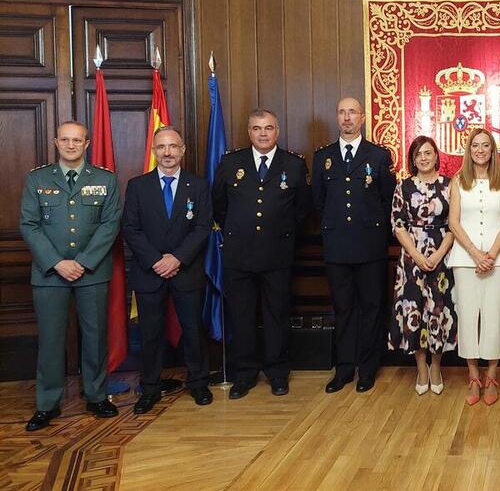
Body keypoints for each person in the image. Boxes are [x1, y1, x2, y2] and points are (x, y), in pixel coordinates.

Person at [20, 121, 122, 431]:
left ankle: (96, 395)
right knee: (51, 341)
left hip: (91, 272)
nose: (71, 145)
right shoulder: (37, 180)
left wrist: (84, 261)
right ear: (55, 142)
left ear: (87, 143)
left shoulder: (105, 180)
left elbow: (110, 224)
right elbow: (29, 225)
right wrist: (57, 262)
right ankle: (47, 404)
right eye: (65, 139)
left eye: (77, 140)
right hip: (50, 274)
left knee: (95, 337)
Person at [212, 109, 311, 399]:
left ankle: (277, 372)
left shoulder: (293, 164)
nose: (263, 134)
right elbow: (219, 204)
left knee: (276, 315)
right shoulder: (231, 163)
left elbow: (302, 208)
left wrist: (279, 232)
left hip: (277, 253)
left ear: (277, 131)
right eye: (257, 128)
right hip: (238, 253)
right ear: (249, 132)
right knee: (241, 316)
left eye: (268, 128)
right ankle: (244, 374)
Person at [122, 126, 212, 413]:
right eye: (161, 147)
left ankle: (198, 383)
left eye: (173, 146)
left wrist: (177, 258)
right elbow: (131, 229)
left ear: (183, 150)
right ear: (153, 151)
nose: (168, 152)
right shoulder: (138, 186)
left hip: (186, 271)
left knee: (193, 330)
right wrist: (156, 261)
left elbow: (202, 227)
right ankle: (149, 389)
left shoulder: (198, 185)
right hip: (150, 272)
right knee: (150, 333)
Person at [313, 97, 395, 394]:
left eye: (352, 112)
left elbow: (387, 201)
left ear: (362, 118)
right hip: (337, 246)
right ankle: (344, 368)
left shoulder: (378, 155)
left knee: (372, 308)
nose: (347, 118)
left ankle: (367, 368)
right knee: (343, 309)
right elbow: (319, 202)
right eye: (342, 112)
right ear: (337, 117)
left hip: (370, 246)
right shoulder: (324, 156)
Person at [447, 128, 500, 406]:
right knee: (468, 316)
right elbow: (454, 223)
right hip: (465, 260)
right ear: (469, 149)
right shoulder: (458, 181)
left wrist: (491, 255)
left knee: (494, 315)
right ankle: (473, 376)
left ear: (492, 150)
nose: (480, 150)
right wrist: (476, 254)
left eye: (485, 145)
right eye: (475, 145)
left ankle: (491, 376)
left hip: (498, 260)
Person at [387, 136, 457, 395]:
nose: (424, 158)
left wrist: (438, 254)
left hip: (443, 254)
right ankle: (421, 367)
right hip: (411, 257)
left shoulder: (450, 186)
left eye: (428, 153)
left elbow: (454, 223)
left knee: (438, 311)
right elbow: (397, 223)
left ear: (437, 156)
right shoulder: (403, 187)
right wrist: (416, 254)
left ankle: (436, 366)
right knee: (414, 309)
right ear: (413, 159)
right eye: (418, 154)